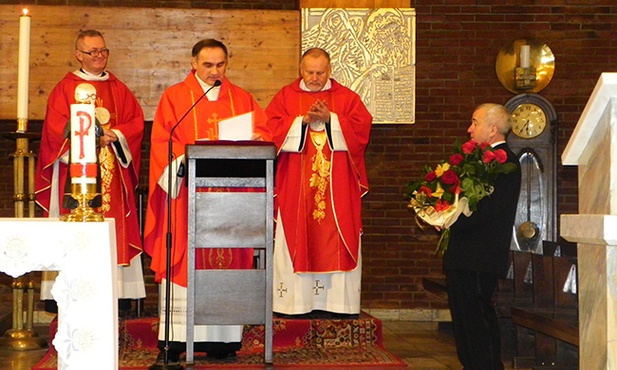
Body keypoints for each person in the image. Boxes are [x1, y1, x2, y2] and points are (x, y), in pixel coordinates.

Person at [143, 38, 271, 364]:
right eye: (208, 65)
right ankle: (175, 339)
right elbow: (163, 142)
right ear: (193, 64)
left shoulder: (242, 98)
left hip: (231, 202)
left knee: (229, 259)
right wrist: (182, 161)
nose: (215, 71)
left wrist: (257, 141)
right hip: (189, 200)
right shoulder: (176, 98)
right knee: (186, 263)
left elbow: (264, 136)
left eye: (221, 65)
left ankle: (223, 340)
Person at [35, 29, 146, 312]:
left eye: (103, 51)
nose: (99, 56)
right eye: (92, 52)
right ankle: (71, 292)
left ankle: (116, 296)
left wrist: (116, 134)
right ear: (78, 55)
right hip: (76, 173)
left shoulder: (118, 88)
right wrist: (92, 137)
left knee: (114, 229)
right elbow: (53, 131)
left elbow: (136, 123)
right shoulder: (65, 88)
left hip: (112, 174)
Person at [265, 48, 372, 318]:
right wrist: (300, 122)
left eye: (320, 73)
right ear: (301, 70)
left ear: (329, 70)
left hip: (338, 188)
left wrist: (331, 119)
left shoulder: (347, 99)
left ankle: (338, 305)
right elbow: (270, 129)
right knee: (296, 232)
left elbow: (362, 130)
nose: (314, 78)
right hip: (295, 188)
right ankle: (294, 305)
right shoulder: (286, 97)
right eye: (309, 72)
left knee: (336, 234)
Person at [443, 103, 522, 369]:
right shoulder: (476, 160)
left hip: (481, 256)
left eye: (474, 122)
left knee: (478, 319)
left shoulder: (507, 164)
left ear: (492, 128)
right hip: (463, 254)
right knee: (463, 321)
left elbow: (489, 211)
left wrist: (451, 221)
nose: (469, 128)